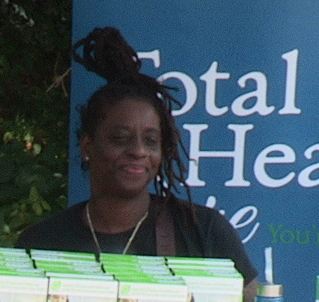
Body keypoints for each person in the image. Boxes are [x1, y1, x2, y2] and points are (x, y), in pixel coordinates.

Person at [17, 27, 257, 282]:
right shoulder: (43, 243)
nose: (139, 151)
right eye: (121, 138)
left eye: (151, 141)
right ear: (87, 146)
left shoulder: (202, 231)